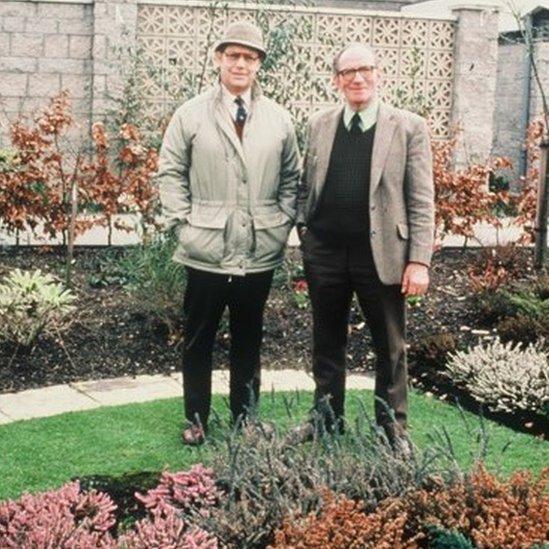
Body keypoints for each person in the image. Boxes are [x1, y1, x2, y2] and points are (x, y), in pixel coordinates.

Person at [157, 21, 300, 445]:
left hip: (259, 250)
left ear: (259, 65)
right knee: (199, 337)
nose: (241, 63)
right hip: (205, 248)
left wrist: (280, 222)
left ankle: (245, 418)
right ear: (218, 59)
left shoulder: (278, 119)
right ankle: (196, 420)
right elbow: (170, 173)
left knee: (248, 338)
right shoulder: (190, 114)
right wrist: (184, 226)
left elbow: (292, 177)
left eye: (250, 57)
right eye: (233, 55)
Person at [293, 43, 434, 447]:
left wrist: (419, 260)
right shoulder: (320, 123)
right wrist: (306, 233)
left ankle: (391, 429)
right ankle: (325, 420)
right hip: (326, 253)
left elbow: (422, 198)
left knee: (390, 347)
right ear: (336, 80)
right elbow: (307, 184)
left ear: (378, 73)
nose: (357, 77)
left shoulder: (408, 127)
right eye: (347, 71)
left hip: (383, 255)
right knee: (326, 342)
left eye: (365, 69)